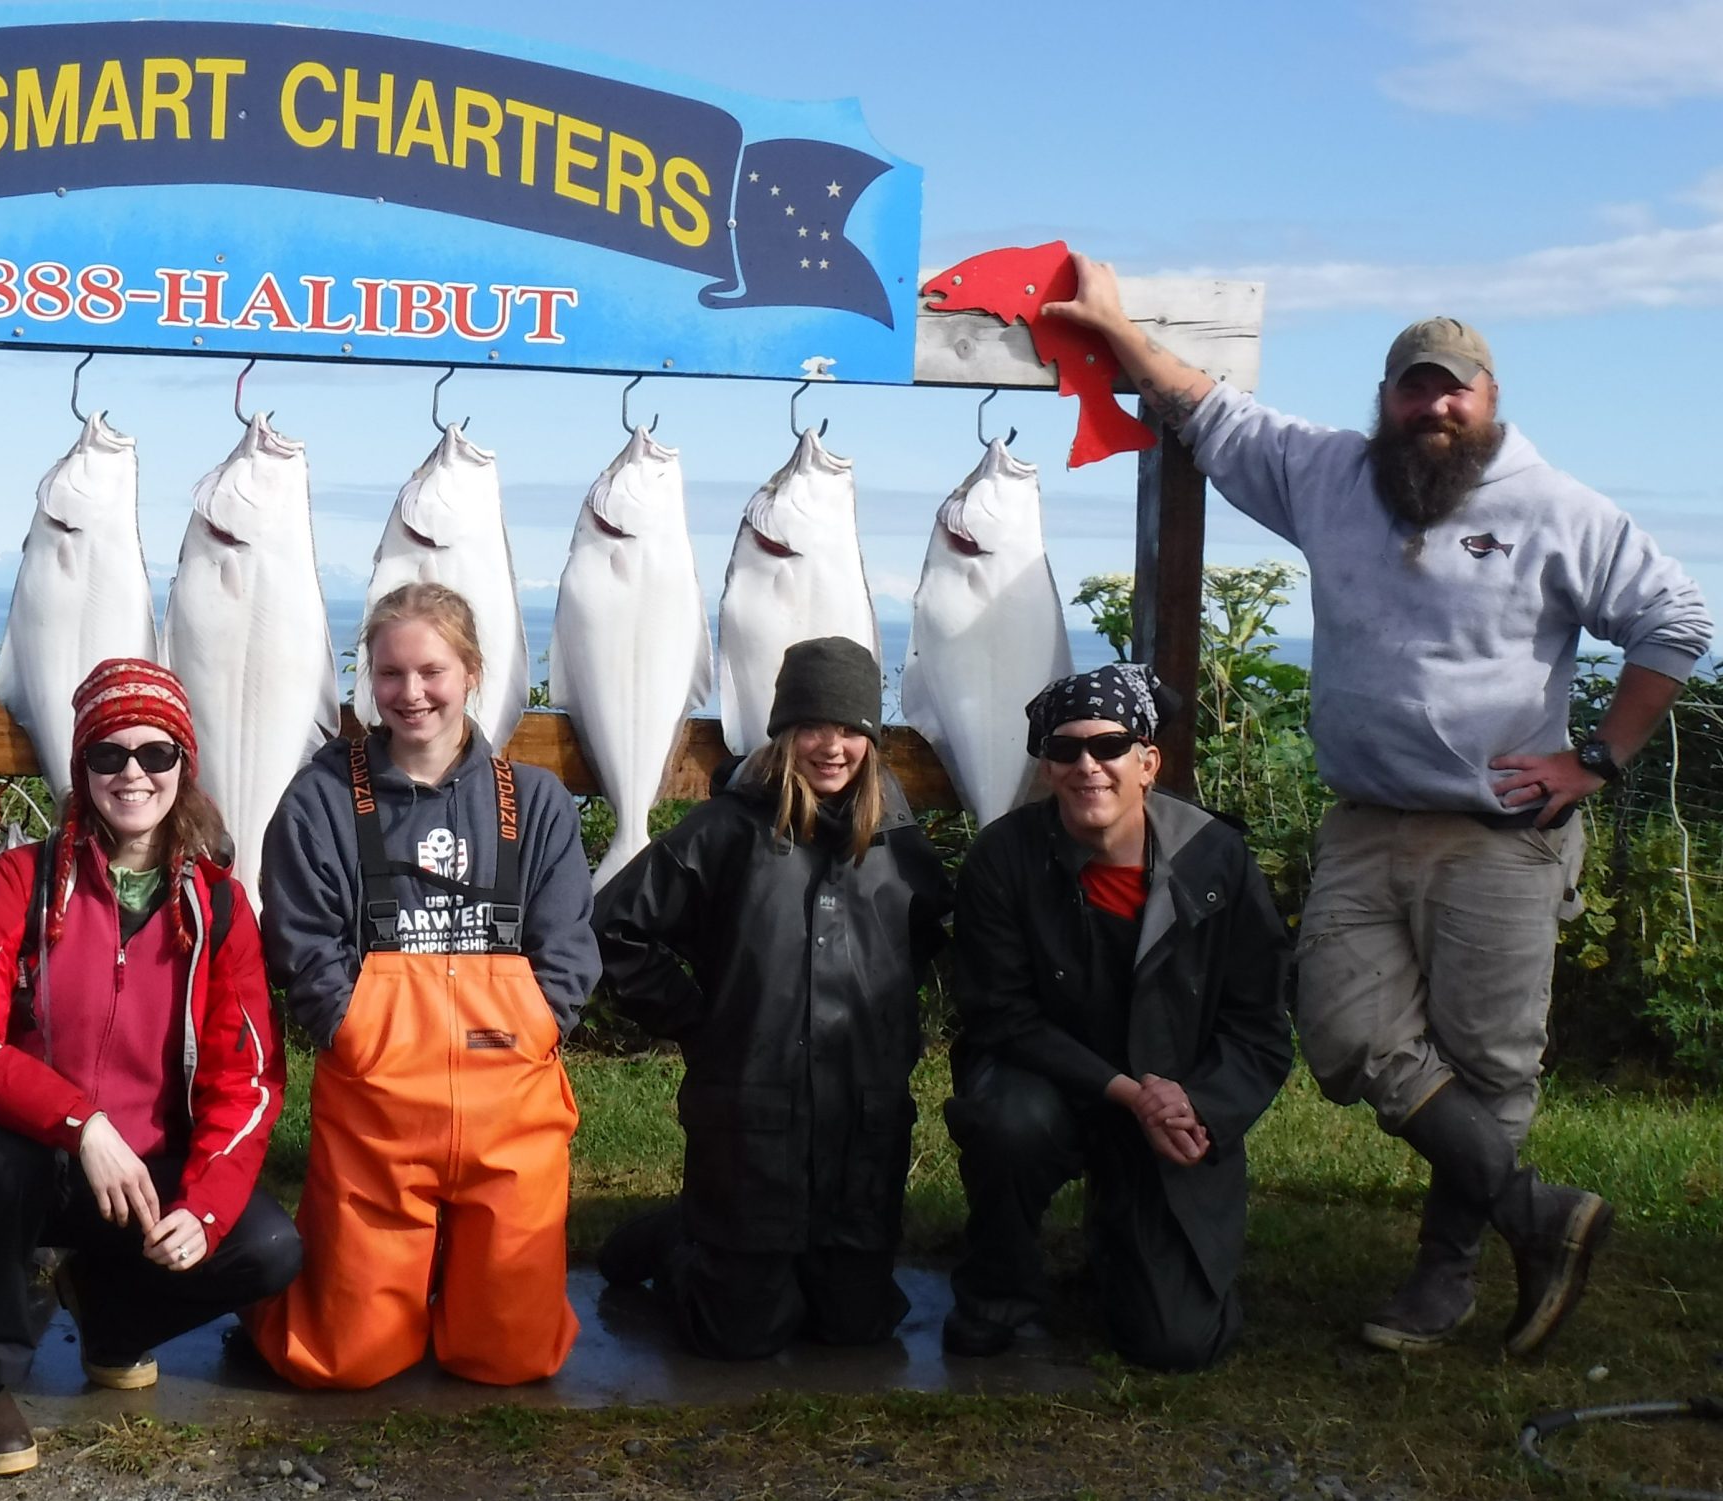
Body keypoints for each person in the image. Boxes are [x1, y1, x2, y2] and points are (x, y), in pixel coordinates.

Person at [1045, 258, 1711, 1354]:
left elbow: (1673, 620)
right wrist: (1115, 327)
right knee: (1344, 1032)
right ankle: (1538, 1214)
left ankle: (1443, 1278)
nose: (1434, 405)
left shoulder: (1554, 508)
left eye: (1455, 388)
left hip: (1502, 837)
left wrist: (1596, 755)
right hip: (1363, 821)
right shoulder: (1331, 476)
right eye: (1414, 386)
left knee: (1490, 1063)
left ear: (1491, 402)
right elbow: (1206, 408)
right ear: (1386, 398)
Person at [0, 657, 299, 1476]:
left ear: (183, 767)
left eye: (156, 754)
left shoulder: (221, 906)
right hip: (13, 1154)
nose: (133, 772)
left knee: (265, 1246)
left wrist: (206, 1207)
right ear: (81, 769)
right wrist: (80, 1123)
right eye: (108, 754)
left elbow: (249, 1080)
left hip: (138, 1167)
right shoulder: (16, 882)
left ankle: (113, 1315)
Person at [245, 581, 600, 1389]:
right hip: (375, 1113)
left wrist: (534, 1028)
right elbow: (302, 947)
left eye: (432, 670)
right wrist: (360, 1033)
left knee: (509, 1358)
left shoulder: (536, 800)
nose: (412, 693)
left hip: (512, 1112)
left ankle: (456, 1292)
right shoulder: (320, 801)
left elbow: (571, 953)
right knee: (341, 1359)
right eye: (389, 673)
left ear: (472, 670)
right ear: (368, 679)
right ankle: (268, 1300)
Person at [591, 638, 950, 1359]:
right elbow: (614, 928)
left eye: (850, 727)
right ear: (784, 732)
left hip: (861, 1128)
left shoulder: (902, 845)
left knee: (856, 1326)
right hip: (750, 1126)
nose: (832, 744)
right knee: (741, 1333)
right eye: (812, 724)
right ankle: (677, 1238)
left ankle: (776, 1256)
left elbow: (931, 946)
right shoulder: (723, 831)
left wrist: (893, 1032)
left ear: (871, 740)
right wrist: (695, 1018)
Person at [944, 665, 1293, 1372]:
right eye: (1065, 750)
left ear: (1147, 761)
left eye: (1108, 746)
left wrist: (1199, 1107)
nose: (1087, 766)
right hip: (1053, 1085)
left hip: (1174, 1105)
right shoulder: (1002, 858)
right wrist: (1131, 1093)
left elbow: (1259, 1027)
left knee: (1176, 1341)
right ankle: (1000, 1286)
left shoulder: (1217, 859)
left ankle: (1123, 1233)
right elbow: (999, 1015)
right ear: (1045, 767)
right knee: (1006, 1122)